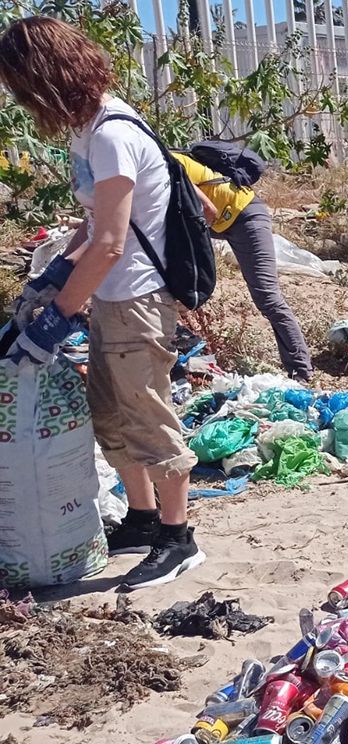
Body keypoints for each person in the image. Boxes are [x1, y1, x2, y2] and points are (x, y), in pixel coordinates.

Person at [0, 17, 204, 590]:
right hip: (110, 298)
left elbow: (113, 243)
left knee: (148, 414)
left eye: (20, 86)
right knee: (110, 415)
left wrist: (60, 313)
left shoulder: (114, 134)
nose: (19, 100)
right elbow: (93, 226)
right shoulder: (84, 131)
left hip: (137, 299)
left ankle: (177, 538)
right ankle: (141, 520)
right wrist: (54, 273)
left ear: (44, 77)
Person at [171, 151, 313, 380]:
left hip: (245, 216)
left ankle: (301, 370)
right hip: (222, 222)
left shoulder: (166, 165)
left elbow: (208, 210)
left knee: (268, 297)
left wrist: (195, 254)